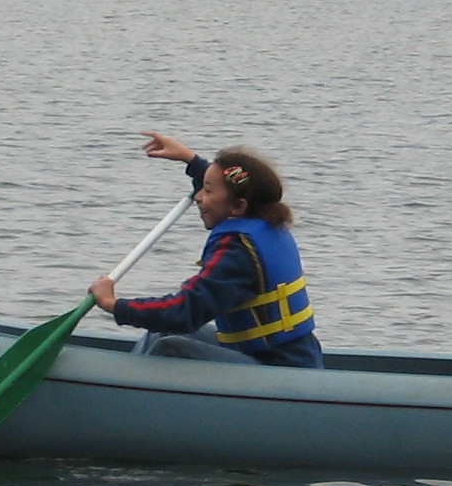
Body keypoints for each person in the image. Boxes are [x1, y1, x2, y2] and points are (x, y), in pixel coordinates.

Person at [90, 132, 323, 369]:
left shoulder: (237, 251)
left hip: (280, 367)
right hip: (265, 351)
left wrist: (114, 305)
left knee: (168, 348)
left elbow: (185, 312)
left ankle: (122, 392)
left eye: (208, 191)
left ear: (238, 206)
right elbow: (230, 184)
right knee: (158, 333)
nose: (199, 197)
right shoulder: (263, 218)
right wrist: (190, 160)